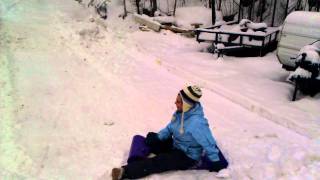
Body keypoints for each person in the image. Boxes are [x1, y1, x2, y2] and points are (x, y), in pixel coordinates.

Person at [111, 85, 228, 180]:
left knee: (160, 161)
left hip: (187, 156)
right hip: (176, 144)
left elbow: (208, 143)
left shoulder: (197, 123)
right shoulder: (181, 113)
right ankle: (154, 144)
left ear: (187, 104)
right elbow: (169, 128)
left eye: (178, 102)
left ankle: (125, 172)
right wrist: (159, 137)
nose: (175, 103)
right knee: (153, 138)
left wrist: (216, 162)